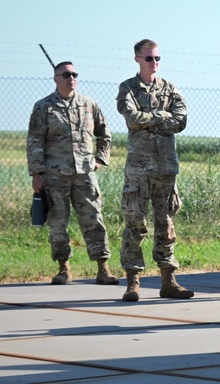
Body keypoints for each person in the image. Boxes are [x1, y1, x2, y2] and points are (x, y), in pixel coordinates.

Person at [27, 61, 119, 287]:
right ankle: (64, 268)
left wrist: (100, 159)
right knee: (58, 223)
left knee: (94, 220)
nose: (71, 78)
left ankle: (103, 268)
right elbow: (35, 140)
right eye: (66, 74)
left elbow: (104, 134)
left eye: (74, 74)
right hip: (54, 176)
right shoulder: (44, 107)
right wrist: (36, 174)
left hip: (85, 175)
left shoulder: (88, 104)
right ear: (56, 78)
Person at [115, 39, 193, 302]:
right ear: (138, 59)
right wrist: (162, 117)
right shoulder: (128, 88)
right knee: (135, 224)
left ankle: (168, 281)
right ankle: (133, 282)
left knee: (166, 225)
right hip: (139, 169)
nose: (154, 62)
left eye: (157, 58)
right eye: (149, 58)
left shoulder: (169, 87)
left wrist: (152, 119)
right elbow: (132, 117)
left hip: (166, 168)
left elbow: (181, 119)